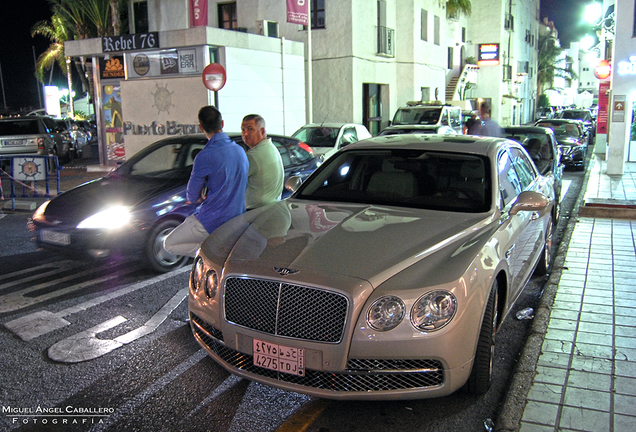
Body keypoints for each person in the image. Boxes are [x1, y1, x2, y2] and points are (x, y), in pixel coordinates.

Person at [163, 105, 248, 257]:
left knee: (169, 243)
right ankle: (217, 248)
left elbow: (192, 196)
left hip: (212, 220)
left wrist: (201, 193)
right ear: (222, 124)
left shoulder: (204, 156)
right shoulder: (240, 151)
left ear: (201, 127)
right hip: (237, 218)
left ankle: (213, 251)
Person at [241, 114, 285, 210]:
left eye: (250, 129)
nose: (245, 133)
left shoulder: (254, 155)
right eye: (243, 130)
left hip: (256, 211)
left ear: (262, 131)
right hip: (272, 207)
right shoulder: (272, 148)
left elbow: (233, 180)